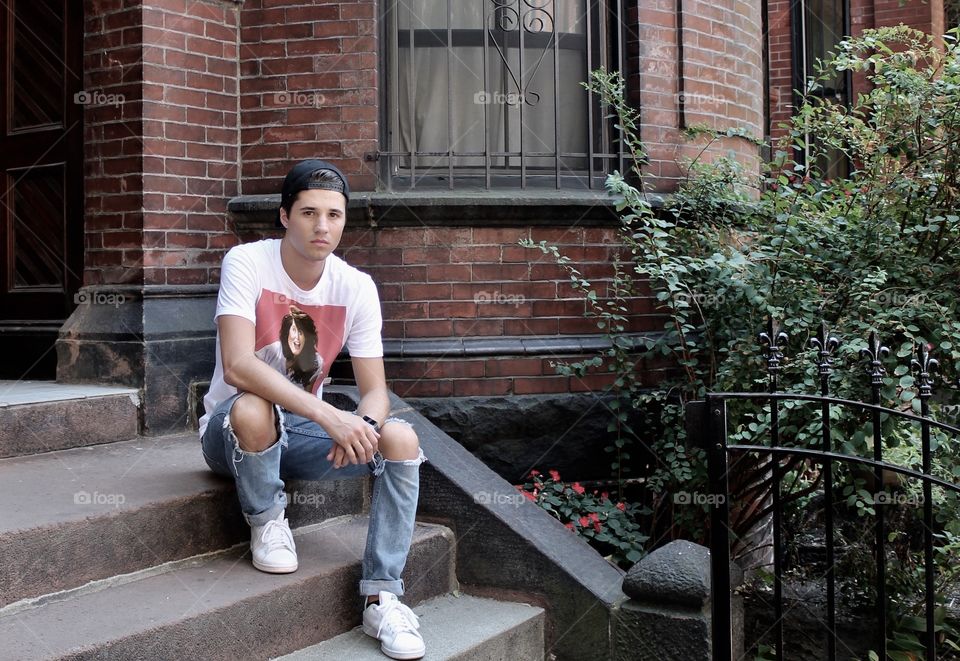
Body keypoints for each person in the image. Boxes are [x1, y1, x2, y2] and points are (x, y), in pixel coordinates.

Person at [198, 159, 427, 660]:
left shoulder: (356, 286)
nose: (323, 227)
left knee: (401, 439)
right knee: (255, 405)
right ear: (284, 216)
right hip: (232, 432)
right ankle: (266, 519)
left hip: (300, 435)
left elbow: (376, 393)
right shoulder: (247, 262)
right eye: (308, 213)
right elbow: (237, 365)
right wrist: (328, 415)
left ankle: (382, 595)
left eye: (334, 215)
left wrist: (362, 427)